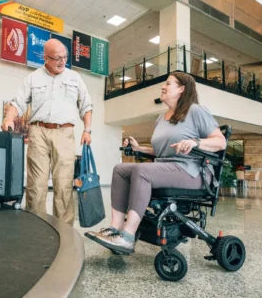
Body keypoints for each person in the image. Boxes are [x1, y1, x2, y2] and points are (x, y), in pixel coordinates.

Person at [86, 72, 227, 254]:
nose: (163, 87)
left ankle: (128, 237)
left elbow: (221, 142)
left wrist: (195, 142)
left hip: (192, 172)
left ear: (182, 89)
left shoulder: (196, 111)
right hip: (167, 168)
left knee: (142, 171)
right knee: (120, 169)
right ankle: (115, 228)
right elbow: (163, 152)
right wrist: (140, 149)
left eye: (168, 84)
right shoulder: (161, 118)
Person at [2, 39, 93, 225]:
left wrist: (87, 130)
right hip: (38, 133)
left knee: (64, 184)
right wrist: (9, 118)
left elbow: (86, 106)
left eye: (65, 57)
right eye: (57, 58)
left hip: (65, 133)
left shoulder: (74, 78)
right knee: (36, 184)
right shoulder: (33, 78)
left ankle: (64, 231)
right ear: (46, 57)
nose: (62, 61)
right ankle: (36, 229)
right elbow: (18, 103)